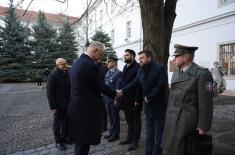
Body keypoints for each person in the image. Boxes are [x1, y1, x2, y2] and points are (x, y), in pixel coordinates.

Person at [68, 41, 120, 155]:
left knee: (80, 140)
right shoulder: (89, 65)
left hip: (77, 106)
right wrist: (115, 93)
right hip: (85, 109)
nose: (99, 58)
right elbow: (99, 85)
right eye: (100, 54)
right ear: (95, 50)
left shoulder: (77, 62)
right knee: (84, 141)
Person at [161, 44, 214, 155]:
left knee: (184, 148)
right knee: (170, 147)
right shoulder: (177, 72)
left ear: (186, 57)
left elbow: (207, 102)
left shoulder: (204, 74)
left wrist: (203, 126)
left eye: (177, 56)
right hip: (172, 116)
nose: (173, 59)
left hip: (187, 120)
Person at [118, 50, 168, 155]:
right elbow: (134, 83)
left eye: (142, 58)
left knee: (159, 131)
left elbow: (162, 85)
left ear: (149, 58)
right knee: (149, 129)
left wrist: (150, 97)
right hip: (147, 105)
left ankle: (157, 152)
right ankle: (148, 151)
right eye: (139, 58)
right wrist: (122, 91)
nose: (139, 60)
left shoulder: (160, 68)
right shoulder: (140, 70)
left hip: (158, 105)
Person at [118, 49, 142, 151]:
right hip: (125, 99)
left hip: (134, 99)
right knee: (129, 120)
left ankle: (135, 141)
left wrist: (137, 100)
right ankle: (129, 138)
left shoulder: (138, 67)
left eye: (127, 55)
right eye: (124, 55)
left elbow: (138, 85)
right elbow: (123, 83)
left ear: (133, 56)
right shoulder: (125, 67)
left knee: (136, 120)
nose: (125, 57)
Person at [46, 58, 71, 151]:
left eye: (65, 63)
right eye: (62, 64)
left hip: (67, 104)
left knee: (65, 122)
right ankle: (58, 141)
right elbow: (49, 92)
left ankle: (64, 138)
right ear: (57, 66)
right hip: (58, 105)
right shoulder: (52, 76)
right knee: (57, 123)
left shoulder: (66, 73)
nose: (65, 65)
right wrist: (53, 106)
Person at [103, 54, 122, 142]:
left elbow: (118, 88)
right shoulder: (108, 72)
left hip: (114, 99)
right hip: (107, 99)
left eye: (109, 61)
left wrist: (116, 100)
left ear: (114, 62)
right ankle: (111, 132)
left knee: (115, 117)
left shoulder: (118, 73)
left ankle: (115, 134)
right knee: (110, 117)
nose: (107, 63)